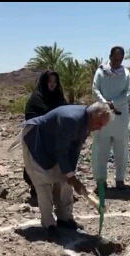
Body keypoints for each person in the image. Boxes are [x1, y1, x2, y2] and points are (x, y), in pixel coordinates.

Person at [19, 102, 112, 239]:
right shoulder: (71, 119)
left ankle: (64, 218)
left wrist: (71, 175)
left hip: (55, 145)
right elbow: (61, 151)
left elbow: (74, 150)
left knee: (65, 181)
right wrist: (72, 177)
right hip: (37, 140)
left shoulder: (87, 123)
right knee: (43, 181)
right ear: (92, 115)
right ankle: (48, 224)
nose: (99, 128)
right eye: (99, 124)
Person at [91, 46, 130, 192]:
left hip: (120, 118)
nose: (116, 62)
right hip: (103, 116)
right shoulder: (101, 71)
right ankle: (101, 180)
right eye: (114, 59)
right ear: (110, 56)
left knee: (121, 150)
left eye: (119, 59)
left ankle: (120, 179)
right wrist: (105, 102)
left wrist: (114, 103)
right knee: (101, 149)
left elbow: (129, 92)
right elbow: (95, 89)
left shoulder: (126, 73)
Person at [22, 70, 67, 200]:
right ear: (44, 82)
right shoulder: (36, 99)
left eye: (54, 82)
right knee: (36, 162)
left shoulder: (58, 97)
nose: (52, 85)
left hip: (55, 137)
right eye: (49, 82)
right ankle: (35, 187)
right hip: (38, 138)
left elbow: (65, 112)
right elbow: (31, 117)